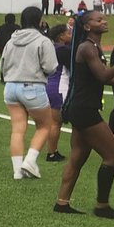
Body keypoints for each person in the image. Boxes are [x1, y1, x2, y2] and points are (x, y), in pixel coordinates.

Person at [54, 11, 114, 218]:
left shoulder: (92, 47)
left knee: (77, 158)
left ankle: (62, 202)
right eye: (99, 19)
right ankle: (102, 206)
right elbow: (103, 75)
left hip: (81, 108)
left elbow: (99, 77)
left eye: (104, 18)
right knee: (112, 156)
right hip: (85, 110)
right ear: (87, 27)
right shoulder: (87, 47)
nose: (104, 21)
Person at [0, 6, 58, 180]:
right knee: (45, 125)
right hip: (32, 86)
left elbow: (2, 65)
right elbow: (50, 67)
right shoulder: (43, 40)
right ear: (39, 20)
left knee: (17, 130)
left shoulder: (11, 40)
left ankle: (18, 170)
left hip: (10, 87)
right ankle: (30, 161)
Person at [43, 23, 73, 162]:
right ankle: (51, 153)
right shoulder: (63, 50)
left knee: (54, 122)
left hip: (49, 85)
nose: (70, 35)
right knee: (56, 123)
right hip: (60, 87)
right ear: (61, 36)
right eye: (68, 33)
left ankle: (53, 151)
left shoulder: (51, 48)